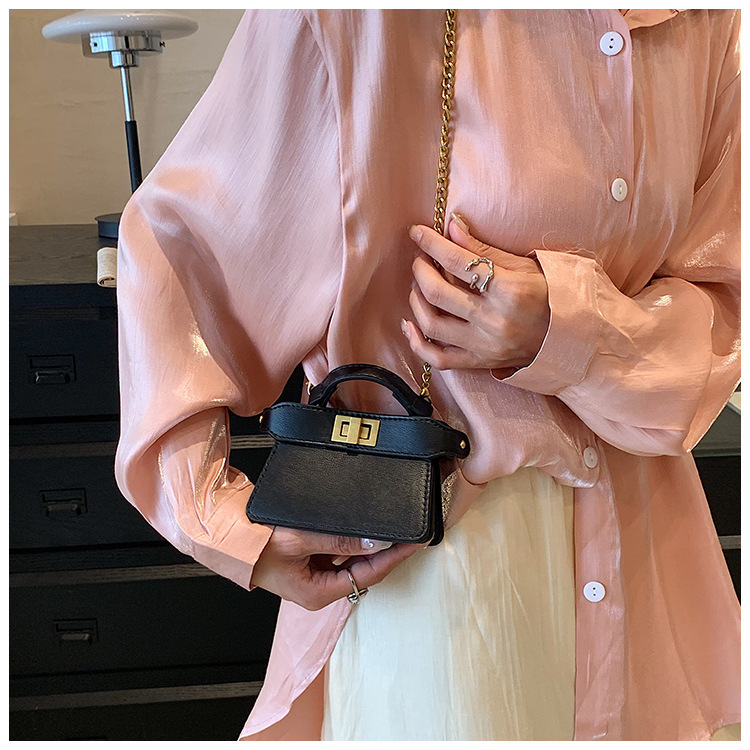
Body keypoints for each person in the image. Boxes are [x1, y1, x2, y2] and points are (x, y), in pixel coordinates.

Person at [114, 9, 741, 741]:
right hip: (450, 580)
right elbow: (180, 253)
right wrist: (217, 517)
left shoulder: (704, 20)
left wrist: (566, 330)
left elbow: (723, 298)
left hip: (654, 563)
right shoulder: (358, 20)